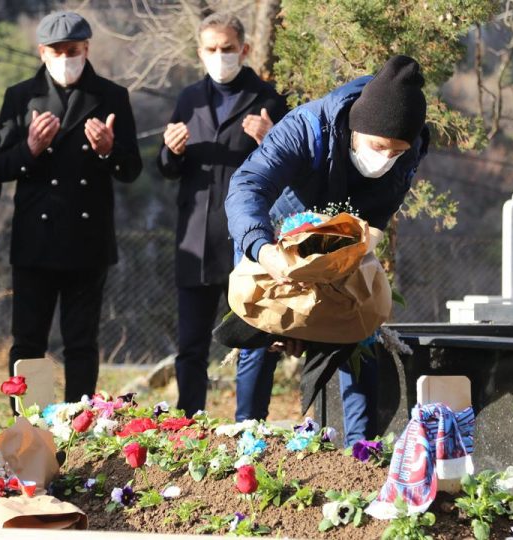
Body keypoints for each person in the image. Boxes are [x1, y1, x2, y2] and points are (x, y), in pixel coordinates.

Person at [225, 56, 430, 446]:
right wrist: (264, 250)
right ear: (357, 127)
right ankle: (247, 437)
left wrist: (364, 242)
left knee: (359, 328)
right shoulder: (306, 128)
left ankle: (361, 448)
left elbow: (382, 207)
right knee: (261, 327)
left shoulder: (411, 146)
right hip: (275, 235)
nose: (385, 158)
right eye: (378, 146)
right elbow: (247, 187)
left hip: (344, 243)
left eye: (396, 152)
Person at [0, 11, 142, 405]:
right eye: (57, 51)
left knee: (81, 342)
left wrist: (109, 151)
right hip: (35, 239)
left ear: (86, 49)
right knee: (28, 341)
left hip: (86, 239)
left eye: (73, 50)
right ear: (42, 52)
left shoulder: (111, 97)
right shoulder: (20, 96)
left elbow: (131, 169)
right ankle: (27, 424)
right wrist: (30, 149)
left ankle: (79, 424)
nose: (65, 58)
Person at [157, 13, 287, 417]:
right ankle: (188, 424)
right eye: (211, 49)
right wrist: (170, 151)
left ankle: (249, 426)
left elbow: (291, 171)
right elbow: (168, 169)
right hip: (195, 236)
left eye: (227, 49)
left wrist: (271, 140)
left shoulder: (268, 99)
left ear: (244, 50)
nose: (220, 56)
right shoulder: (189, 99)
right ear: (200, 52)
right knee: (191, 346)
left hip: (247, 240)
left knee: (252, 340)